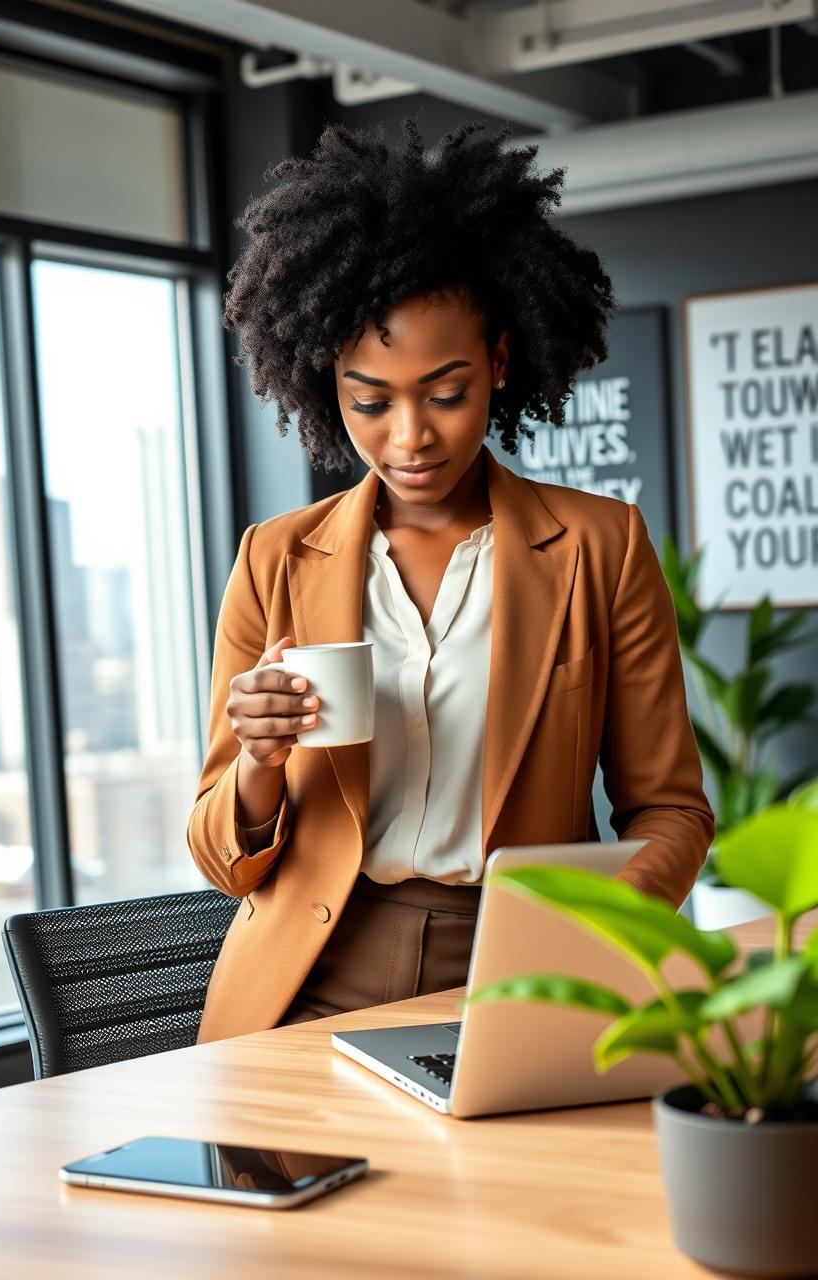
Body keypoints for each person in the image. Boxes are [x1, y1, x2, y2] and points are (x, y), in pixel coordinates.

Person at [187, 118, 714, 1045]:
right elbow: (223, 858)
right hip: (308, 977)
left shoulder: (601, 546)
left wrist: (589, 941)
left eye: (445, 392)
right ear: (326, 385)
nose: (409, 437)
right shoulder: (274, 558)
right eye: (370, 401)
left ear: (501, 363)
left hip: (522, 973)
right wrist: (261, 761)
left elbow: (668, 810)